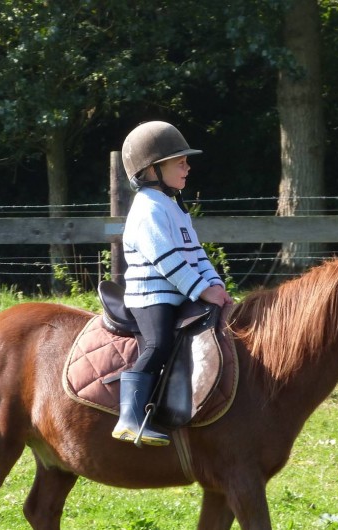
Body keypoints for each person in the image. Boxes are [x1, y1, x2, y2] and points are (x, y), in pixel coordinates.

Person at [112, 120, 232, 447]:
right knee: (159, 343)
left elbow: (196, 253)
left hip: (176, 292)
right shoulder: (147, 209)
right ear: (152, 170)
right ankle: (130, 417)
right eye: (180, 162)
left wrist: (215, 284)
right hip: (151, 296)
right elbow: (168, 261)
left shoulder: (175, 208)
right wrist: (200, 289)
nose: (188, 167)